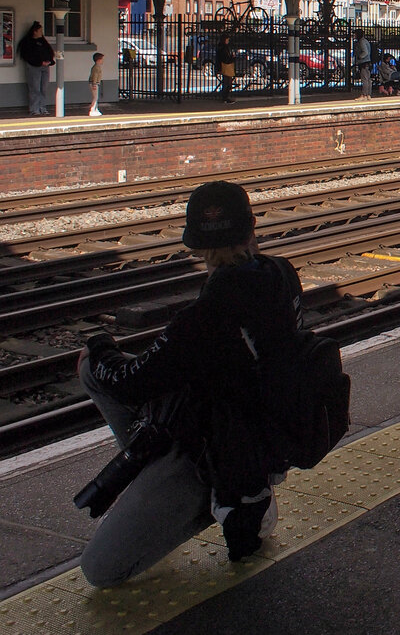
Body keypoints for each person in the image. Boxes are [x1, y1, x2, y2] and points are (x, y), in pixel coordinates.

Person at [76, 181, 303, 587]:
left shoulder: (207, 316)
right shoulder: (280, 274)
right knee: (117, 371)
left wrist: (98, 348)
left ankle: (214, 504)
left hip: (215, 454)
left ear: (194, 244)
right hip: (262, 436)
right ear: (251, 228)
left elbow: (130, 383)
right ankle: (227, 492)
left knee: (100, 570)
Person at [17, 21, 55, 116]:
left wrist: (49, 61)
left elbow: (49, 52)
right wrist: (39, 62)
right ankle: (34, 109)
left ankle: (42, 107)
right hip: (34, 67)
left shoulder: (43, 42)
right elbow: (28, 56)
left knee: (44, 88)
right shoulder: (28, 42)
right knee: (35, 88)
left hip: (45, 66)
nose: (41, 33)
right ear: (35, 31)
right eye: (40, 31)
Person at [217, 34, 236, 105]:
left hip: (224, 66)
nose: (228, 41)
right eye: (227, 39)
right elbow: (226, 59)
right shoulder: (224, 48)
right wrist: (233, 58)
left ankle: (225, 97)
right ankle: (225, 97)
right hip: (226, 66)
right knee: (227, 83)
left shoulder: (221, 47)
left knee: (227, 82)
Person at [353, 29, 372, 100]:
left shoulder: (361, 42)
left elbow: (365, 52)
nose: (354, 36)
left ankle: (364, 95)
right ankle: (368, 94)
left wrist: (359, 57)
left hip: (364, 62)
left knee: (364, 79)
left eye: (355, 34)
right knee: (368, 79)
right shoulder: (366, 41)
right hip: (368, 62)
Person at [88, 52, 104, 116]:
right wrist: (94, 84)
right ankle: (92, 110)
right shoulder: (96, 67)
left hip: (94, 83)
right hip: (94, 83)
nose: (103, 61)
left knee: (96, 97)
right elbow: (95, 76)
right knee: (95, 97)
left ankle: (95, 109)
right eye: (102, 59)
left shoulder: (97, 67)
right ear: (99, 60)